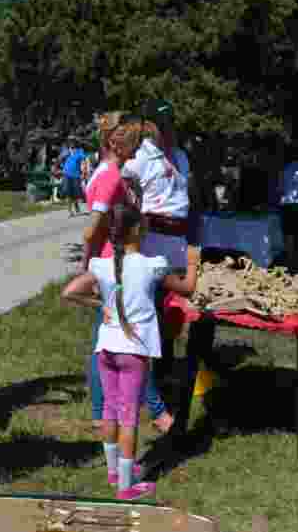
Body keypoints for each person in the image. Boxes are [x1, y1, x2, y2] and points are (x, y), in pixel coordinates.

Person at [61, 187, 200, 500]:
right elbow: (188, 289)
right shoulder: (153, 265)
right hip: (133, 351)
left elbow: (69, 292)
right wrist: (193, 262)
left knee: (110, 410)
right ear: (138, 230)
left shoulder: (102, 265)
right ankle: (126, 486)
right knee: (129, 417)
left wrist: (101, 305)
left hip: (105, 348)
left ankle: (113, 471)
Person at [83, 113, 175, 435]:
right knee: (131, 341)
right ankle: (157, 411)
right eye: (134, 145)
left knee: (106, 340)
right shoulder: (110, 177)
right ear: (114, 142)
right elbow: (91, 230)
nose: (138, 151)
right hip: (118, 266)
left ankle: (102, 411)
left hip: (113, 263)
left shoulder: (106, 172)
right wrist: (88, 268)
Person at [123, 99, 196, 381]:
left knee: (173, 311)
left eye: (170, 125)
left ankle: (164, 368)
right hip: (152, 240)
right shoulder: (140, 156)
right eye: (161, 126)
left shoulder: (180, 156)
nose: (167, 131)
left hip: (178, 241)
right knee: (149, 307)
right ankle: (144, 375)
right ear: (148, 126)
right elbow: (124, 189)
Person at [62, 141, 86, 216]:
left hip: (76, 175)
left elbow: (83, 162)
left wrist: (83, 172)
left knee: (75, 193)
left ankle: (77, 208)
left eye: (73, 146)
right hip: (66, 174)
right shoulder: (66, 152)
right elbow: (61, 158)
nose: (72, 147)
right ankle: (70, 211)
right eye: (70, 146)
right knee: (68, 193)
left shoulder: (80, 152)